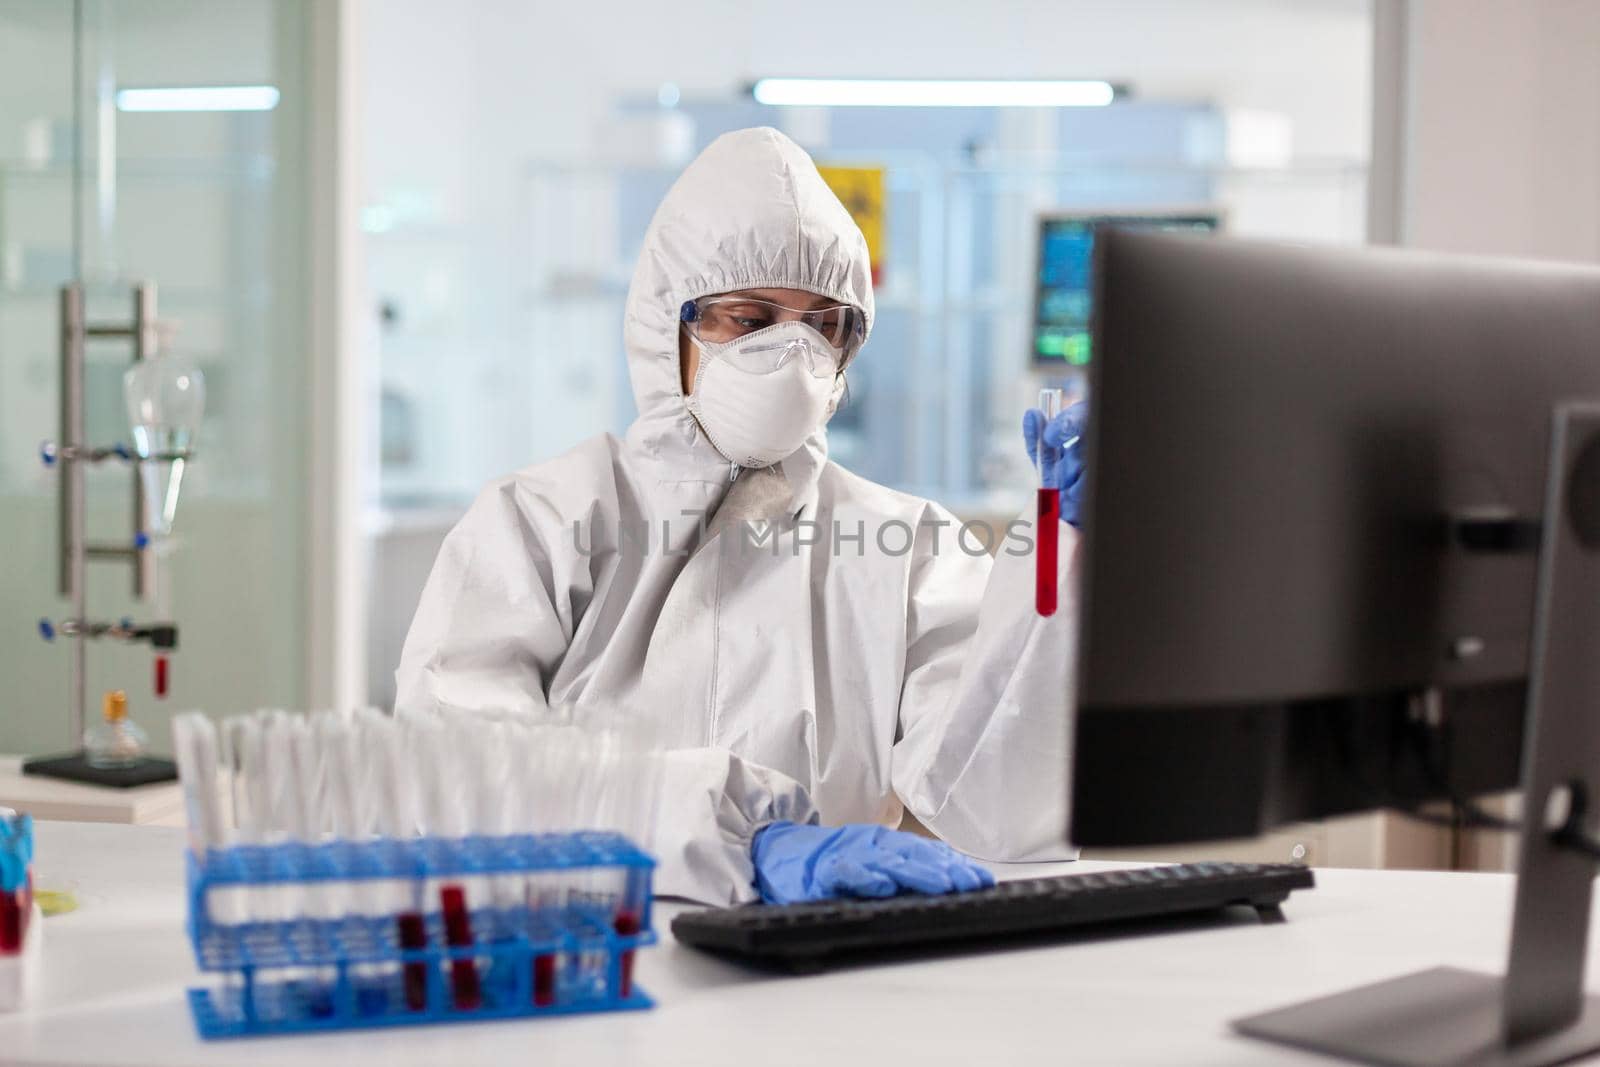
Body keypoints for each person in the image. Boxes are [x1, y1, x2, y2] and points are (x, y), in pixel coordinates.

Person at [396, 127, 1084, 905]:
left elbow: (1000, 806)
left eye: (823, 324)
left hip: (820, 972)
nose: (792, 355)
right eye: (750, 319)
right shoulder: (540, 521)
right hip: (593, 960)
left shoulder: (910, 548)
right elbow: (462, 773)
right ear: (668, 326)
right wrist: (740, 839)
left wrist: (1066, 553)